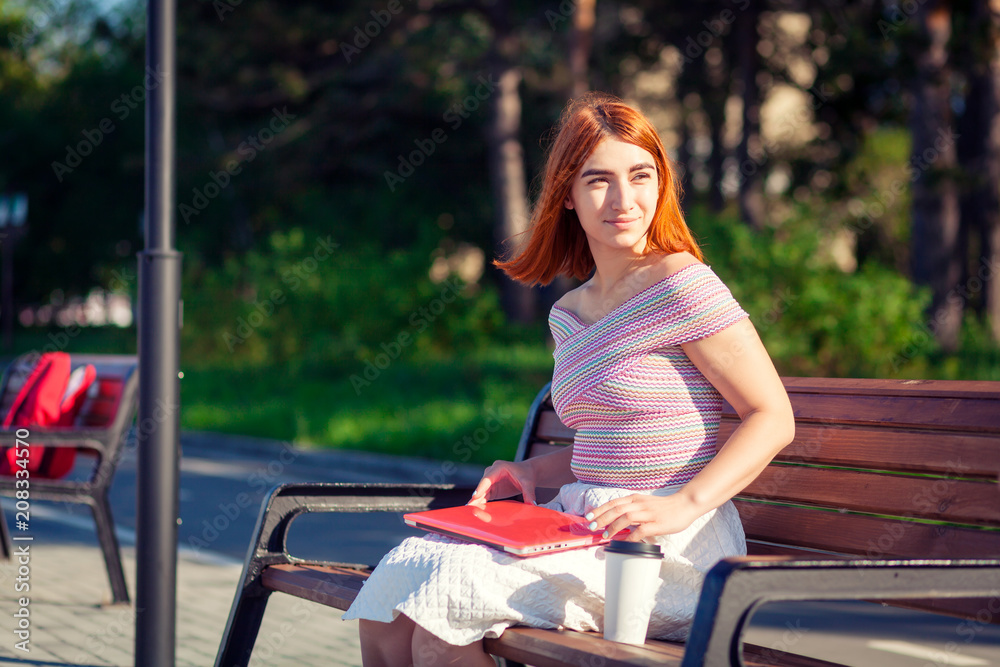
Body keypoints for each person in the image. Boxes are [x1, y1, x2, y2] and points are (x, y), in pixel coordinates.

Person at [343, 92, 795, 667]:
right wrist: (531, 469)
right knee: (392, 595)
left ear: (662, 183)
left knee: (441, 623)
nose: (625, 199)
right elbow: (607, 446)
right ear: (567, 198)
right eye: (599, 180)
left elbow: (772, 417)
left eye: (640, 175)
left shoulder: (684, 284)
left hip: (663, 550)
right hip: (581, 528)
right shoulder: (571, 312)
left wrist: (684, 503)